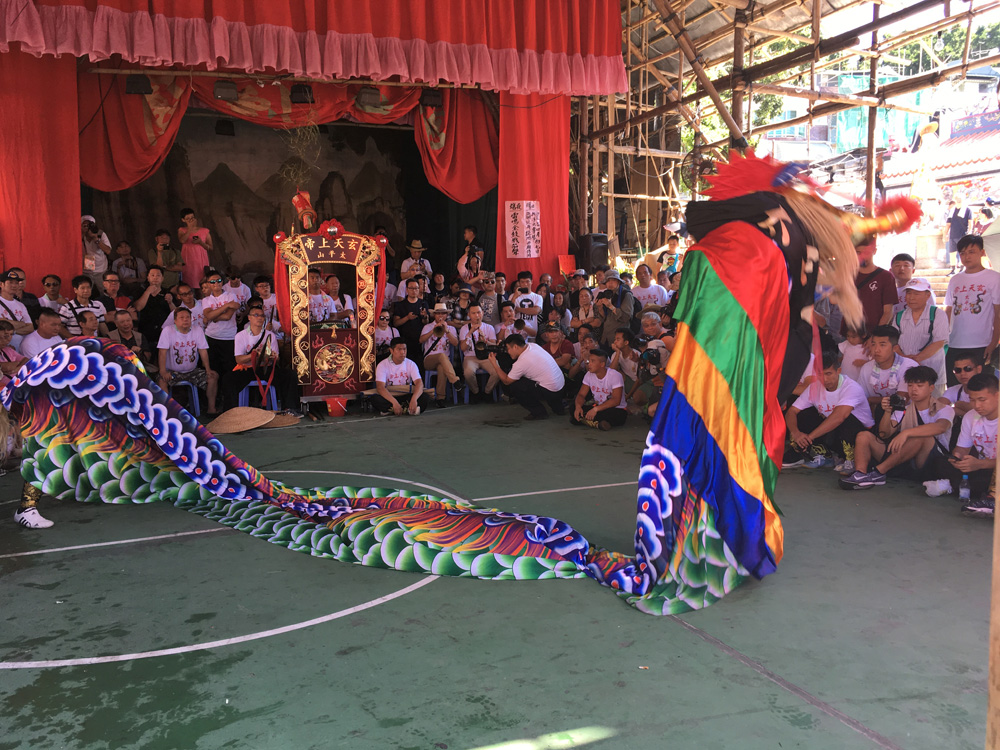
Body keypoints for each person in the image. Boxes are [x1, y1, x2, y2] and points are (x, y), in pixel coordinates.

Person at [840, 366, 953, 489]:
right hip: (904, 460)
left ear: (931, 388)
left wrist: (906, 433)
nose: (914, 389)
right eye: (910, 385)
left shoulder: (944, 409)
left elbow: (941, 427)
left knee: (922, 437)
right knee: (864, 436)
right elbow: (884, 434)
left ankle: (878, 473)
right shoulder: (904, 410)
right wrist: (888, 412)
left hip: (930, 461)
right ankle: (860, 475)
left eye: (919, 386)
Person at [782, 349, 874, 470]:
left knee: (846, 418)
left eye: (828, 374)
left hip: (861, 437)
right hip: (835, 435)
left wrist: (810, 437)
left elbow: (839, 417)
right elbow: (792, 411)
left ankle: (851, 460)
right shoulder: (814, 388)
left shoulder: (851, 387)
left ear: (838, 371)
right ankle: (825, 455)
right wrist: (796, 433)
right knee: (804, 414)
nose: (824, 379)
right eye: (820, 374)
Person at [945, 234, 1000, 382]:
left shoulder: (994, 278)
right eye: (962, 253)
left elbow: (998, 313)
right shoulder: (955, 280)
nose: (966, 257)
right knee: (955, 386)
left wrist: (993, 343)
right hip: (955, 343)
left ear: (982, 252)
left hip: (983, 344)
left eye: (971, 252)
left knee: (982, 387)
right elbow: (948, 310)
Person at [947, 372, 999, 517]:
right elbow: (962, 448)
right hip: (985, 469)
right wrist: (958, 457)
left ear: (997, 395)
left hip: (991, 469)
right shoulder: (971, 416)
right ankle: (987, 497)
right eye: (972, 400)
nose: (977, 405)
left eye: (982, 400)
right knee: (940, 465)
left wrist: (980, 464)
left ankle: (992, 500)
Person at [228, 307, 297, 411]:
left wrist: (273, 357)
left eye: (262, 316)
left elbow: (277, 358)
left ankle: (289, 409)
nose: (259, 318)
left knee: (290, 375)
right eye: (256, 315)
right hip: (248, 369)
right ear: (249, 317)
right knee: (228, 379)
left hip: (265, 368)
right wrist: (254, 355)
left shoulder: (270, 335)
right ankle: (232, 412)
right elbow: (238, 359)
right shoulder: (240, 335)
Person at [156, 307, 219, 416]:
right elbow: (162, 352)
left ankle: (211, 409)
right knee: (161, 381)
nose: (185, 320)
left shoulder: (197, 330)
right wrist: (163, 371)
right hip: (172, 371)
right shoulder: (168, 331)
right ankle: (167, 413)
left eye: (187, 317)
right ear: (175, 320)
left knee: (213, 377)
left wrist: (207, 369)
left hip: (192, 371)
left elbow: (203, 351)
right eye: (182, 317)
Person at [489, 333, 565, 420]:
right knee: (532, 378)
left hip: (550, 390)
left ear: (515, 347)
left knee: (515, 386)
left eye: (508, 348)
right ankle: (558, 407)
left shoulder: (521, 363)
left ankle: (539, 413)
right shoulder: (533, 345)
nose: (507, 352)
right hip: (560, 386)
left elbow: (506, 381)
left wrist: (494, 364)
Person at [892, 278, 947, 393]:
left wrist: (916, 359)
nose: (911, 297)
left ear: (927, 295)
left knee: (934, 402)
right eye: (908, 293)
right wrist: (905, 358)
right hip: (905, 371)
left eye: (916, 293)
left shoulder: (938, 314)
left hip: (933, 370)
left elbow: (939, 342)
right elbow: (893, 343)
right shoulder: (899, 316)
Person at [858, 325, 918, 419]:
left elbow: (901, 401)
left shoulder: (909, 366)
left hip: (904, 418)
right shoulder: (866, 368)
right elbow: (861, 400)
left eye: (882, 345)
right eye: (873, 344)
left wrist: (872, 400)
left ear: (895, 348)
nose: (876, 350)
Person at [843, 237, 896, 336]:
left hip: (874, 334)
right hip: (850, 334)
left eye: (866, 252)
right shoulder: (847, 275)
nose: (862, 256)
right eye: (858, 252)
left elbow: (888, 311)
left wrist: (875, 336)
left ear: (874, 251)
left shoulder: (886, 276)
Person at [572, 348, 628, 430]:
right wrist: (578, 407)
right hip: (598, 407)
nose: (589, 364)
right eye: (589, 361)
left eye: (592, 361)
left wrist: (595, 409)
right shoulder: (588, 374)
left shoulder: (615, 375)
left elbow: (616, 400)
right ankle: (598, 423)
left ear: (602, 364)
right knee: (573, 408)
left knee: (615, 415)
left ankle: (587, 421)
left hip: (615, 409)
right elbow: (581, 394)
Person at [420, 302, 463, 407]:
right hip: (429, 359)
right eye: (438, 313)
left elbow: (455, 343)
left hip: (444, 362)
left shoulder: (451, 328)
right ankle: (455, 381)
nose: (441, 316)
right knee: (441, 356)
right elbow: (421, 340)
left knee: (441, 366)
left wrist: (447, 331)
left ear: (446, 315)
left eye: (443, 313)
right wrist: (433, 330)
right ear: (434, 315)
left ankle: (440, 398)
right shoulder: (427, 326)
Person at [939, 352, 984, 450]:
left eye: (968, 369)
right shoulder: (954, 390)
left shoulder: (990, 390)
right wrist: (956, 410)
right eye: (958, 370)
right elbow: (938, 407)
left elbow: (986, 414)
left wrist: (959, 407)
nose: (962, 373)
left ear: (979, 369)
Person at [372, 337, 428, 416]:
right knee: (375, 399)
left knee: (424, 397)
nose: (402, 352)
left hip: (406, 394)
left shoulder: (411, 364)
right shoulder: (382, 365)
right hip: (390, 395)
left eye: (404, 349)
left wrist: (414, 399)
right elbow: (380, 387)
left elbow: (419, 383)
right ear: (391, 350)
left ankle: (394, 409)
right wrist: (394, 402)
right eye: (399, 349)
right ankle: (405, 408)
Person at [201, 269, 239, 380]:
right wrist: (226, 306)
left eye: (218, 280)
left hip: (229, 337)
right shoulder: (206, 300)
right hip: (212, 336)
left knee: (230, 369)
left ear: (222, 281)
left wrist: (213, 316)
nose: (216, 283)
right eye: (212, 281)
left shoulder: (231, 296)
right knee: (214, 368)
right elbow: (208, 315)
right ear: (208, 284)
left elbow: (227, 316)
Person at [458, 304, 499, 402]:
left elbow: (494, 346)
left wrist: (485, 341)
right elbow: (463, 348)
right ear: (469, 315)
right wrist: (469, 333)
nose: (477, 315)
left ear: (483, 313)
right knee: (468, 373)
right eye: (473, 313)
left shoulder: (489, 327)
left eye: (479, 312)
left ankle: (487, 392)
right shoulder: (464, 328)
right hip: (470, 357)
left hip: (486, 356)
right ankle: (475, 392)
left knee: (497, 371)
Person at [392, 278, 430, 368]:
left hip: (420, 340)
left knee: (419, 366)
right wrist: (407, 318)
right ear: (406, 289)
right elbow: (396, 323)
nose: (414, 291)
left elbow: (426, 322)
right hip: (405, 340)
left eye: (416, 288)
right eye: (411, 288)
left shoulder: (423, 303)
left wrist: (425, 316)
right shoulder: (400, 305)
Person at [134, 266, 174, 347]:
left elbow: (175, 313)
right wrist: (147, 292)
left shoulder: (167, 292)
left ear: (162, 278)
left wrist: (170, 303)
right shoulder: (141, 291)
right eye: (152, 275)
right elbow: (138, 307)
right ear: (148, 278)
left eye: (158, 275)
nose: (155, 277)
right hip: (145, 329)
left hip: (164, 330)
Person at [109, 309, 157, 373]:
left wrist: (140, 351)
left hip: (139, 369)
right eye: (122, 322)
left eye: (128, 320)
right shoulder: (110, 337)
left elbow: (148, 357)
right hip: (119, 370)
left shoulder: (139, 336)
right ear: (116, 324)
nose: (126, 324)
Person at [595, 270, 635, 347]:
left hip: (620, 340)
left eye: (613, 280)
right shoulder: (605, 294)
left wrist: (611, 306)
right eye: (608, 281)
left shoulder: (626, 295)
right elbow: (603, 318)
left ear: (618, 282)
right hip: (605, 338)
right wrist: (600, 308)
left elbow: (626, 317)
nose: (610, 283)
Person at [178, 208, 213, 288]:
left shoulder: (205, 231)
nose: (191, 220)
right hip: (188, 260)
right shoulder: (182, 230)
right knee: (188, 283)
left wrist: (201, 243)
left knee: (202, 284)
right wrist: (190, 229)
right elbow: (182, 240)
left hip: (201, 261)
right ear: (183, 220)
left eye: (192, 218)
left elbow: (210, 247)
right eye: (188, 219)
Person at [0, 270, 34, 350]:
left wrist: (11, 329)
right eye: (10, 282)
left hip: (22, 348)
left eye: (16, 283)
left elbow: (30, 327)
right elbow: (2, 325)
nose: (14, 285)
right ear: (1, 284)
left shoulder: (20, 305)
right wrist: (22, 324)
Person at [81, 214, 112, 292]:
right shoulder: (78, 235)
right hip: (84, 270)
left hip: (100, 269)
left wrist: (96, 239)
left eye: (89, 226)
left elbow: (108, 251)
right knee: (85, 291)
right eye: (84, 226)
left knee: (104, 291)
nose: (87, 228)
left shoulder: (100, 234)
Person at [510, 272, 543, 338]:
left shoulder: (537, 297)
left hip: (532, 333)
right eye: (522, 282)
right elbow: (510, 312)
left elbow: (536, 311)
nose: (525, 284)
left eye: (527, 281)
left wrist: (518, 309)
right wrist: (514, 297)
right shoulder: (513, 296)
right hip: (516, 333)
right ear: (519, 283)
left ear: (532, 282)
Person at [946, 199, 973, 274]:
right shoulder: (952, 210)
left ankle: (962, 268)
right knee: (952, 252)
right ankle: (953, 269)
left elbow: (970, 222)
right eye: (957, 199)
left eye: (960, 199)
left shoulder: (967, 210)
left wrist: (969, 232)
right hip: (953, 235)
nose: (959, 200)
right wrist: (945, 234)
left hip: (962, 234)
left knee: (963, 252)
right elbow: (948, 223)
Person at [0, 320, 27, 387]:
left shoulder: (8, 349)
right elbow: (6, 367)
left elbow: (26, 360)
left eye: (11, 334)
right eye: (6, 335)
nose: (9, 339)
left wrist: (16, 369)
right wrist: (18, 363)